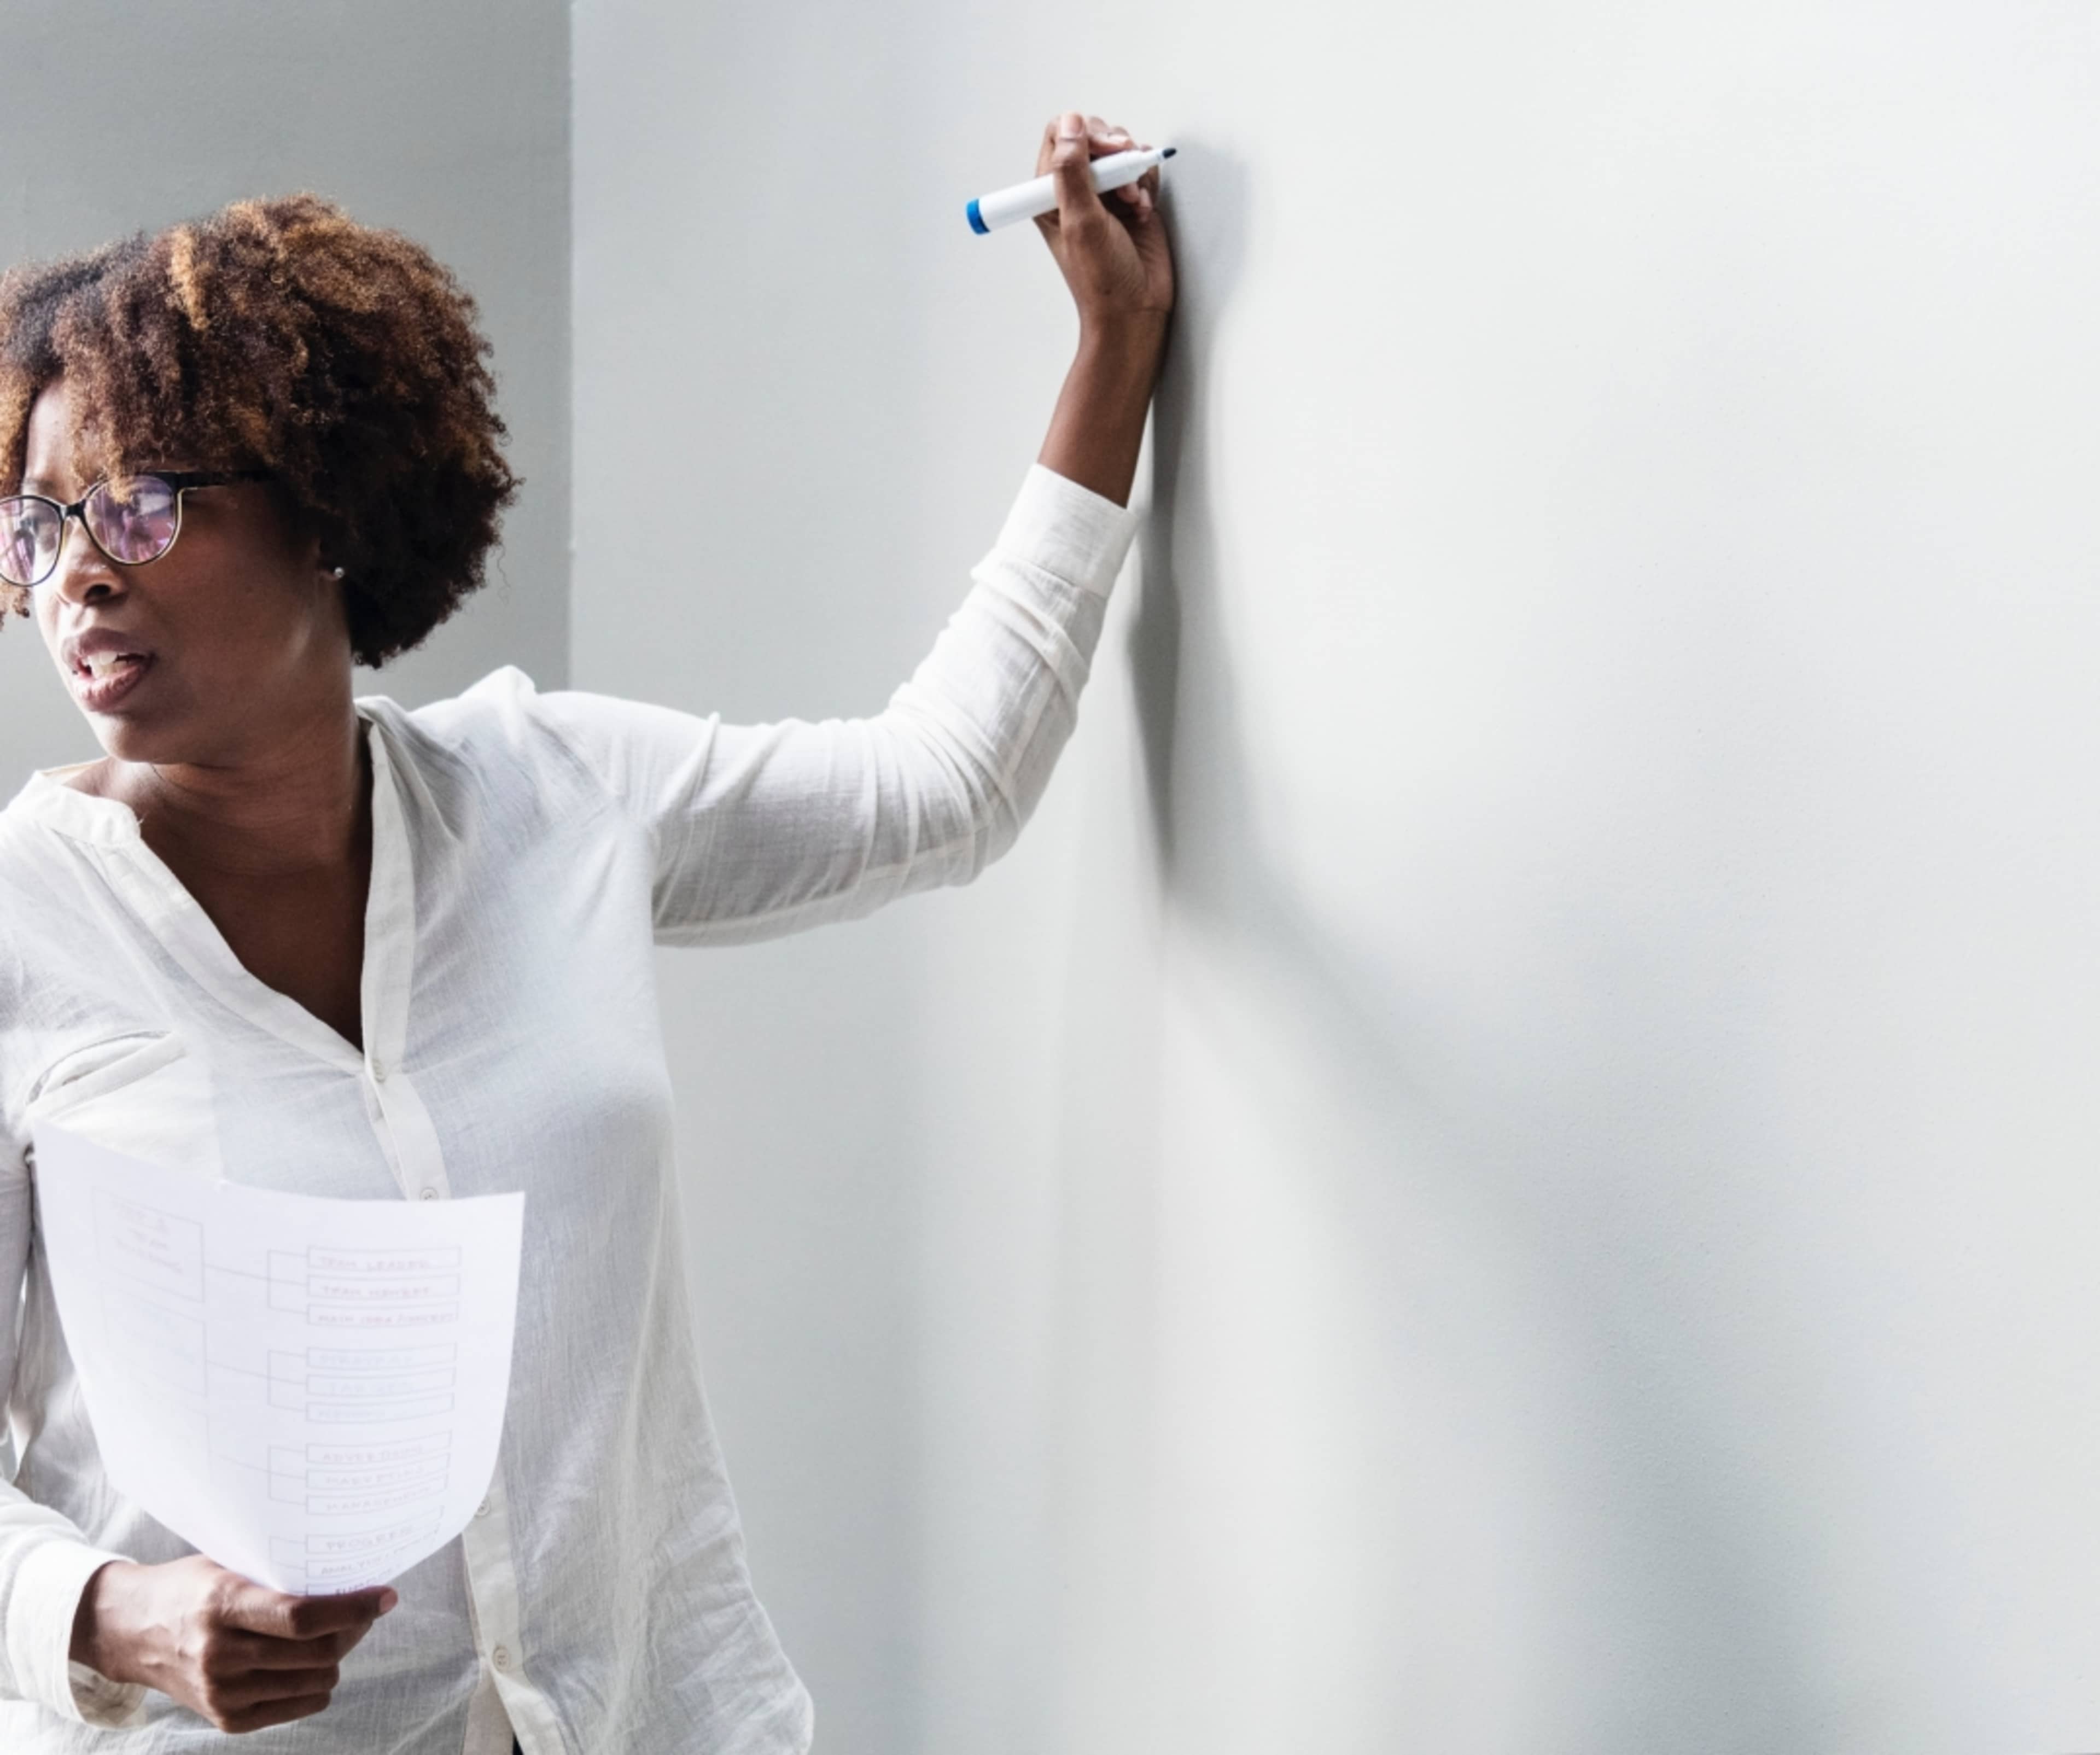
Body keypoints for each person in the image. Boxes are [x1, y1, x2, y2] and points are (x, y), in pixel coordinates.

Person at [0, 110, 1171, 1752]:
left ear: (326, 501)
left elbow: (942, 788)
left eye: (136, 504)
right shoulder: (23, 929)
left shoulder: (548, 789)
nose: (74, 578)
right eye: (39, 525)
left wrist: (1115, 350)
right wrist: (109, 1612)